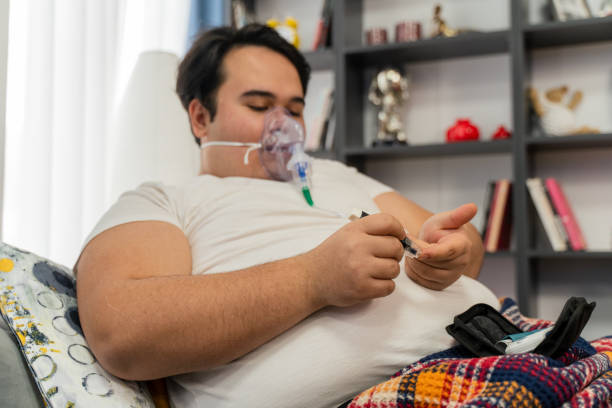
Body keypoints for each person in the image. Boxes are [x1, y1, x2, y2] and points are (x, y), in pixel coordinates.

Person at [75, 24, 499, 408]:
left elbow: (464, 247)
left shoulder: (335, 175)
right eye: (259, 106)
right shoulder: (164, 201)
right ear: (201, 117)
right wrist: (312, 278)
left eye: (294, 109)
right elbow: (124, 332)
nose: (283, 126)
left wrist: (447, 257)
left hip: (490, 356)